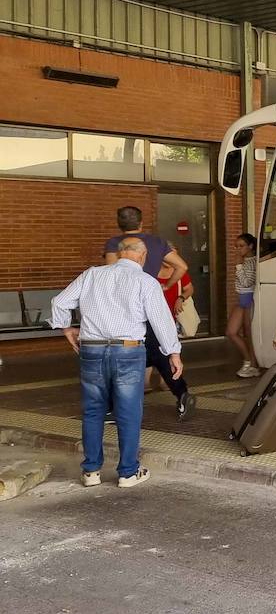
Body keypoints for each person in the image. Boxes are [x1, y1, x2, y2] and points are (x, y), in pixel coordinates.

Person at [51, 237, 183, 489]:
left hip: (91, 349)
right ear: (142, 257)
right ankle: (127, 472)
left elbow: (59, 302)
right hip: (128, 351)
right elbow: (161, 321)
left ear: (120, 254)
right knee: (129, 413)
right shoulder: (146, 281)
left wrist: (66, 328)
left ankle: (90, 471)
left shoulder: (92, 274)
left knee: (93, 411)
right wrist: (173, 353)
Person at [102, 206, 190, 418]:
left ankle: (112, 406)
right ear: (141, 222)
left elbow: (112, 275)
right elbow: (182, 267)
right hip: (150, 305)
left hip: (125, 310)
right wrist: (167, 286)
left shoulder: (115, 244)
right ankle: (183, 394)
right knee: (161, 353)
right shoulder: (158, 242)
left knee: (118, 354)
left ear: (119, 223)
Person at [148, 251, 196, 420]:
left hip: (167, 319)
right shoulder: (150, 273)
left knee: (162, 355)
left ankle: (178, 391)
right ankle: (180, 392)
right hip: (150, 321)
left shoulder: (180, 272)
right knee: (160, 355)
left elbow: (189, 288)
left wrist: (181, 298)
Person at [232, 233, 262, 377]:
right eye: (236, 246)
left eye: (241, 246)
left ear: (250, 246)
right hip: (242, 298)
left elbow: (246, 282)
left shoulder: (251, 262)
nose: (238, 249)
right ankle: (248, 361)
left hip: (249, 298)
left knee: (249, 334)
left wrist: (238, 265)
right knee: (231, 332)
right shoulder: (244, 260)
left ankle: (252, 365)